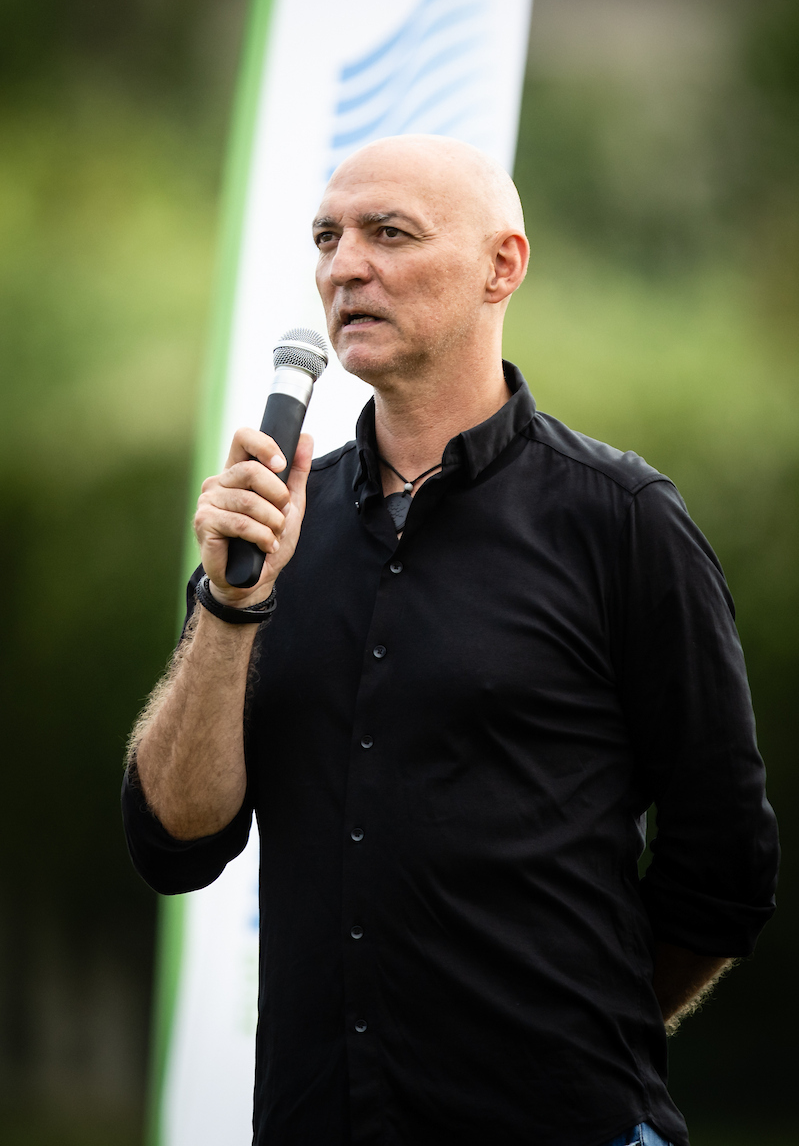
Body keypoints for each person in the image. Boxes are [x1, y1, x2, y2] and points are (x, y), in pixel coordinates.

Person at [123, 135, 779, 1146]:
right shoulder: (274, 529)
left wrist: (575, 1037)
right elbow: (174, 841)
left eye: (389, 234)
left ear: (500, 266)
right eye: (326, 238)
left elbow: (723, 866)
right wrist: (228, 602)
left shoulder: (618, 521)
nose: (345, 266)